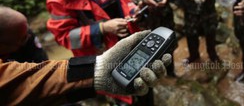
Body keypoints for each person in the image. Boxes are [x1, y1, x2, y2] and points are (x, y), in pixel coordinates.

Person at [0, 29, 171, 105]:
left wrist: (96, 70)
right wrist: (101, 28)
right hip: (87, 57)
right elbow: (65, 36)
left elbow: (16, 81)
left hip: (95, 66)